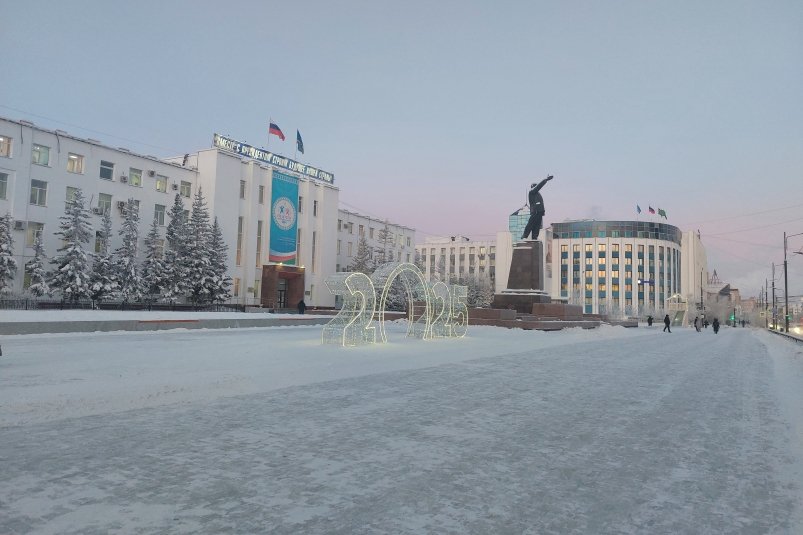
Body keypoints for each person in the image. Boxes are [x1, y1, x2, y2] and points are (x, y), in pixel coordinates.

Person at [521, 175, 553, 240]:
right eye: (536, 186)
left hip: (539, 212)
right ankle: (525, 236)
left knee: (537, 226)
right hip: (535, 211)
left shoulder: (537, 194)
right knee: (530, 224)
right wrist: (546, 180)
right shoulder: (532, 192)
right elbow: (539, 186)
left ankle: (534, 237)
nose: (537, 187)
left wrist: (542, 211)